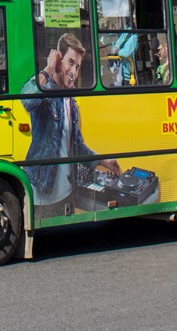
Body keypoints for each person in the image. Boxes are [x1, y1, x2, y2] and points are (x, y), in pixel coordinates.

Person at [20, 33, 119, 219]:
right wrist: (49, 68)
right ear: (59, 60)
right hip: (42, 195)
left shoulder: (71, 103)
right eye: (70, 62)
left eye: (78, 66)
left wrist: (103, 161)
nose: (74, 71)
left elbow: (77, 147)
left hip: (66, 195)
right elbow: (25, 100)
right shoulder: (44, 91)